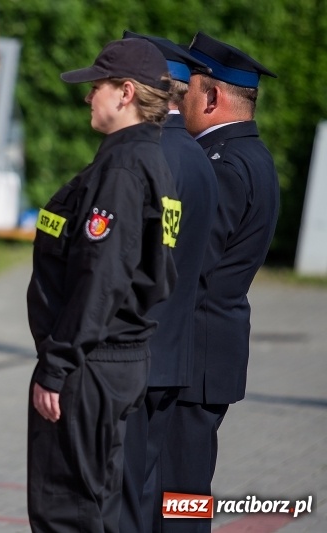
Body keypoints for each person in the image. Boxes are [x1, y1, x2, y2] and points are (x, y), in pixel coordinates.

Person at [25, 38, 178, 533]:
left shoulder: (124, 169)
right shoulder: (147, 162)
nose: (89, 96)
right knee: (97, 508)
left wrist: (57, 364)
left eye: (98, 87)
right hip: (113, 359)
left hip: (91, 364)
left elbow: (102, 276)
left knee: (66, 512)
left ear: (125, 93)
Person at [161, 32, 279, 533]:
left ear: (210, 97)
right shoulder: (247, 155)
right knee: (178, 496)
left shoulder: (223, 165)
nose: (180, 97)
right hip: (204, 354)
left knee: (177, 501)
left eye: (188, 89)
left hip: (193, 360)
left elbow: (192, 266)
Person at [117, 32, 219, 533]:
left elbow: (138, 265)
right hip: (171, 355)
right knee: (142, 493)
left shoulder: (153, 154)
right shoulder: (197, 155)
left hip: (136, 357)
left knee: (121, 500)